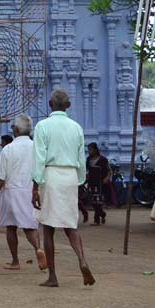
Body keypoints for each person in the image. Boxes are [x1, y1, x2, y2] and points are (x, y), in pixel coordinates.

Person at [32, 89, 95, 287]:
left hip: (50, 176)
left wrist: (35, 184)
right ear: (67, 106)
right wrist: (79, 180)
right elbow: (81, 159)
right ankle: (82, 260)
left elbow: (39, 157)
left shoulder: (42, 126)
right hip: (70, 176)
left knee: (48, 228)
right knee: (70, 225)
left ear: (50, 104)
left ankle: (53, 276)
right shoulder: (76, 127)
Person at [0, 114, 45, 271]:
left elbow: (1, 177)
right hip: (31, 190)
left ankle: (15, 261)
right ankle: (38, 248)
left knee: (11, 227)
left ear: (15, 129)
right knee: (30, 226)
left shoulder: (8, 149)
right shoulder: (36, 147)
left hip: (12, 191)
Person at [83, 143, 113, 226]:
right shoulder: (88, 159)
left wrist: (106, 178)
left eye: (90, 150)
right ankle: (102, 214)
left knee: (98, 202)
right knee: (93, 202)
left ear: (95, 150)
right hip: (92, 183)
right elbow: (87, 171)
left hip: (101, 184)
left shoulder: (103, 159)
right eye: (88, 150)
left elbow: (109, 170)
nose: (89, 151)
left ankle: (97, 220)